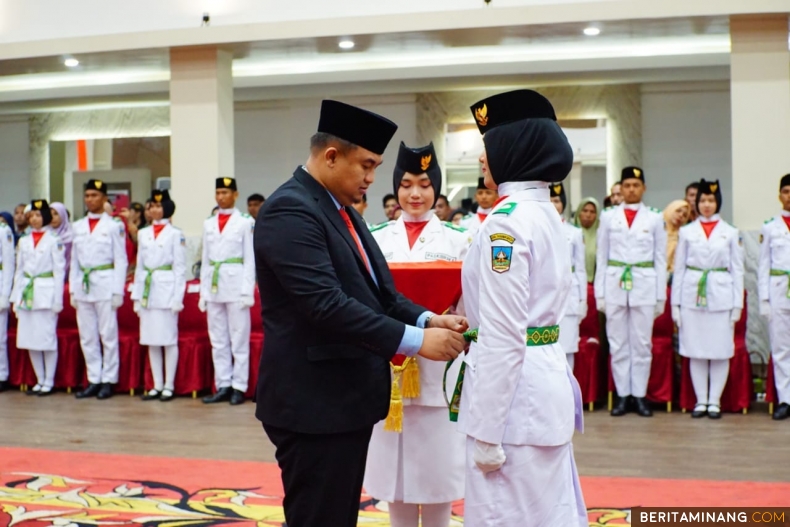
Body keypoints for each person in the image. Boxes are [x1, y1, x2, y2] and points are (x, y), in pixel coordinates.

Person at [253, 99, 467, 527]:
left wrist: (428, 319)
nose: (372, 179)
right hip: (314, 405)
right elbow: (325, 305)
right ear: (331, 156)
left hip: (343, 403)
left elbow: (380, 294)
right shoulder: (291, 210)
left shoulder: (340, 210)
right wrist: (417, 341)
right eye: (366, 166)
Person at [456, 89, 586, 527]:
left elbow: (505, 335)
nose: (481, 159)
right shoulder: (544, 212)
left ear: (510, 150)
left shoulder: (507, 223)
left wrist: (487, 431)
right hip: (541, 380)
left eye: (487, 147)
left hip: (514, 403)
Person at [365, 142, 470, 527]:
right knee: (394, 479)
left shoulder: (460, 240)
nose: (414, 194)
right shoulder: (374, 238)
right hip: (387, 368)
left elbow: (468, 308)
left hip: (440, 368)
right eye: (406, 183)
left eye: (425, 185)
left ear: (437, 189)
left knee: (439, 476)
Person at [595, 166, 667, 417]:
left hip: (644, 285)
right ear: (621, 188)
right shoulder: (608, 216)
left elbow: (660, 259)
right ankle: (623, 396)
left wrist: (660, 296)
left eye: (636, 185)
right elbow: (602, 258)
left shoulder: (655, 218)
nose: (631, 189)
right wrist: (600, 293)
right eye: (627, 185)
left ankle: (639, 395)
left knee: (642, 344)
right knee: (618, 343)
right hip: (615, 284)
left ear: (644, 188)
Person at [671, 180, 743, 419]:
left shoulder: (730, 232)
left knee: (720, 350)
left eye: (711, 200)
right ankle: (701, 401)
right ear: (697, 203)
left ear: (718, 202)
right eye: (703, 200)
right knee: (696, 349)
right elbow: (679, 269)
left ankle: (715, 401)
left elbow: (737, 270)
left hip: (721, 296)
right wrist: (676, 305)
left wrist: (737, 305)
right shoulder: (686, 232)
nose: (707, 205)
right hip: (692, 296)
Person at [70, 179, 129, 400]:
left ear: (105, 198)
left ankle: (109, 379)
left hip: (105, 283)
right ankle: (93, 378)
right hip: (84, 286)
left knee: (108, 334)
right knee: (87, 336)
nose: (90, 200)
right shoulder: (78, 226)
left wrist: (117, 291)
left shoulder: (114, 226)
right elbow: (74, 261)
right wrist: (74, 290)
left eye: (95, 195)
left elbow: (121, 260)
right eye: (87, 196)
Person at [199, 177, 255, 406]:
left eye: (225, 192)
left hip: (236, 285)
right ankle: (222, 383)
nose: (221, 196)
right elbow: (204, 260)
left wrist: (247, 291)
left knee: (238, 338)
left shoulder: (245, 221)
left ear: (235, 195)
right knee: (218, 339)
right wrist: (203, 292)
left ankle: (238, 386)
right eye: (218, 192)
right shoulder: (208, 223)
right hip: (213, 286)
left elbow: (250, 259)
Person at [131, 190, 186, 402]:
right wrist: (137, 297)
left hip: (166, 289)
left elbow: (180, 268)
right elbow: (140, 267)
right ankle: (156, 384)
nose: (154, 209)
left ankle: (169, 385)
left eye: (158, 206)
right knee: (151, 340)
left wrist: (177, 298)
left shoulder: (175, 234)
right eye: (151, 206)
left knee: (168, 340)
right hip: (148, 291)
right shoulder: (143, 233)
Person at [11, 200, 67, 396]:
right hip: (27, 292)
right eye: (31, 216)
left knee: (46, 338)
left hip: (45, 292)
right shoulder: (23, 241)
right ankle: (39, 378)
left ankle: (49, 380)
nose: (34, 219)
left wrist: (58, 300)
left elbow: (59, 272)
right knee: (30, 338)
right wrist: (15, 299)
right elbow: (19, 271)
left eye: (38, 215)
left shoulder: (54, 240)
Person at [759, 173, 790, 421]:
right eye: (786, 191)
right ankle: (785, 399)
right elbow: (763, 267)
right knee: (781, 349)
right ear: (779, 195)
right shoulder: (770, 226)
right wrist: (765, 301)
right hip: (779, 290)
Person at [551, 183, 587, 369]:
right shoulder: (536, 229)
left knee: (567, 349)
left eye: (557, 200)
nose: (553, 204)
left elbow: (580, 269)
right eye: (549, 200)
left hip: (569, 296)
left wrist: (582, 300)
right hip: (545, 296)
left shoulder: (574, 233)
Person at [0, 213, 15, 393]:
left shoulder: (4, 231)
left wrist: (5, 295)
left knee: (0, 338)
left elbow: (10, 264)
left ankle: (2, 374)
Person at [573, 197, 600, 284]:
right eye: (584, 210)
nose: (588, 215)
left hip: (596, 284)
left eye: (592, 212)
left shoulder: (601, 235)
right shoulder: (571, 233)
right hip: (574, 283)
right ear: (579, 213)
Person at [663, 200, 690, 276]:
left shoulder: (681, 237)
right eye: (678, 211)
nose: (681, 215)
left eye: (685, 215)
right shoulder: (655, 231)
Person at [50, 202, 74, 275]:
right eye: (50, 214)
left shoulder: (71, 236)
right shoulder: (45, 235)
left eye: (56, 214)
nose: (52, 217)